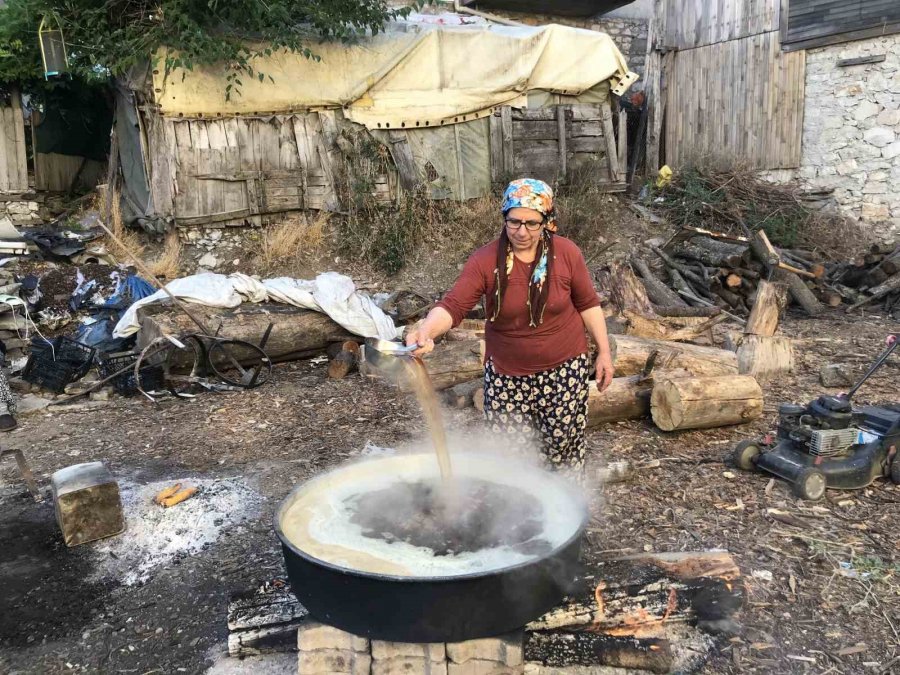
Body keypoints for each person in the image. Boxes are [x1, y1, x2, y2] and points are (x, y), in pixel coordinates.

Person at [406, 178, 614, 480]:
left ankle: (565, 507)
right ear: (504, 217)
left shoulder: (567, 253)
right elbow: (454, 305)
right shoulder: (486, 260)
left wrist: (604, 352)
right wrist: (426, 330)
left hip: (564, 372)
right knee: (510, 457)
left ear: (546, 220)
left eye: (532, 223)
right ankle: (519, 509)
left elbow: (588, 305)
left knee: (562, 451)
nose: (522, 231)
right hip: (507, 377)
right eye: (514, 221)